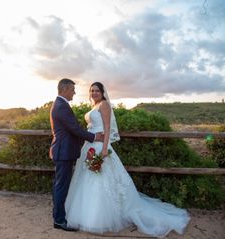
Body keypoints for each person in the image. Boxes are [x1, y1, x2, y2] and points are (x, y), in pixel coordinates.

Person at [65, 82, 190, 237]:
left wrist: (104, 149)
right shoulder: (94, 106)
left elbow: (107, 128)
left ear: (103, 92)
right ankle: (86, 211)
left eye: (97, 90)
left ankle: (100, 217)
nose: (94, 93)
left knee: (100, 178)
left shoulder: (104, 105)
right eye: (92, 90)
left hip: (100, 147)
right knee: (88, 178)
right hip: (89, 146)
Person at [49, 78, 104, 232]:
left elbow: (72, 128)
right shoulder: (61, 106)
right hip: (63, 152)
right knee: (61, 186)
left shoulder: (60, 105)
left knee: (59, 184)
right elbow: (74, 128)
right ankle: (59, 220)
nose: (74, 92)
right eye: (72, 89)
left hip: (63, 151)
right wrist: (93, 137)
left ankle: (57, 216)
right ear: (65, 89)